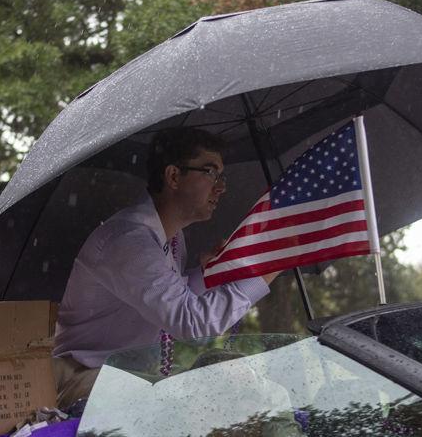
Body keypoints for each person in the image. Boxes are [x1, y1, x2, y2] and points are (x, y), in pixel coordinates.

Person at [52, 127, 280, 408]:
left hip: (124, 376)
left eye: (222, 176)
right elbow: (191, 323)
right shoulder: (130, 242)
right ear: (173, 176)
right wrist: (266, 270)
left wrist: (212, 274)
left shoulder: (170, 238)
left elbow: (177, 298)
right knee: (207, 399)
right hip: (84, 378)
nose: (221, 187)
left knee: (232, 380)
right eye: (211, 173)